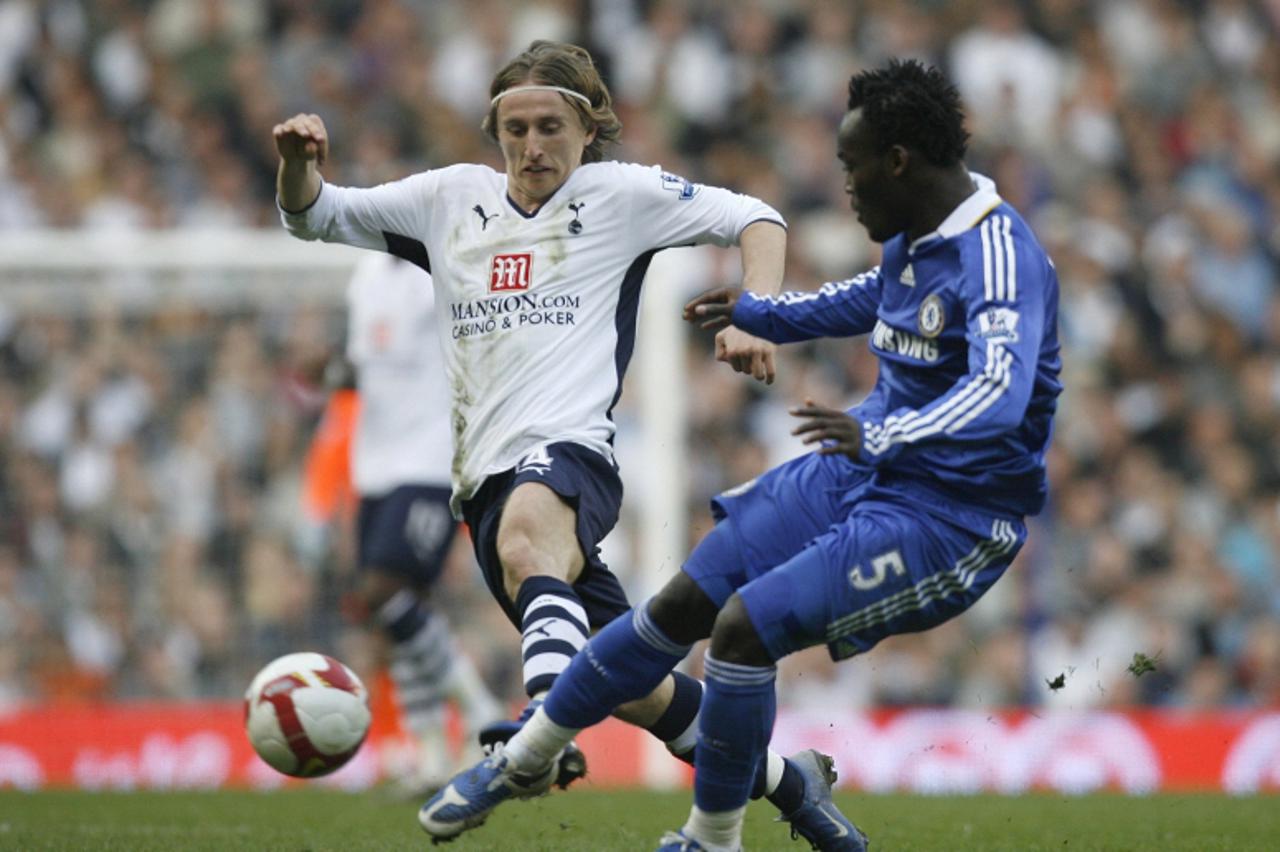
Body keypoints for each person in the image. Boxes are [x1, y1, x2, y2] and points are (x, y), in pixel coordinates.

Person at [421, 58, 1062, 852]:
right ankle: (524, 757)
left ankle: (712, 840)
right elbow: (870, 300)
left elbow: (1001, 391)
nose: (846, 186)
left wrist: (885, 433)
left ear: (897, 161)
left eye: (851, 167)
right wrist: (763, 312)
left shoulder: (1000, 257)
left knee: (743, 629)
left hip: (951, 515)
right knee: (684, 601)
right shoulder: (915, 234)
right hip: (861, 468)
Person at [275, 40, 855, 845]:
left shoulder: (621, 196)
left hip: (571, 455)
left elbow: (756, 216)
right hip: (481, 480)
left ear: (589, 129)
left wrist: (756, 312)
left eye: (550, 126)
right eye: (514, 129)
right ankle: (797, 788)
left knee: (527, 539)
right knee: (634, 688)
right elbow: (315, 216)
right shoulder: (448, 201)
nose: (531, 146)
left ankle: (537, 736)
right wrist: (297, 164)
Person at [302, 252, 505, 794]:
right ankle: (435, 748)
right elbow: (364, 361)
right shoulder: (366, 273)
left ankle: (482, 712)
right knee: (401, 612)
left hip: (430, 460)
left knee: (382, 592)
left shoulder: (440, 271)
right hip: (375, 465)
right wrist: (331, 370)